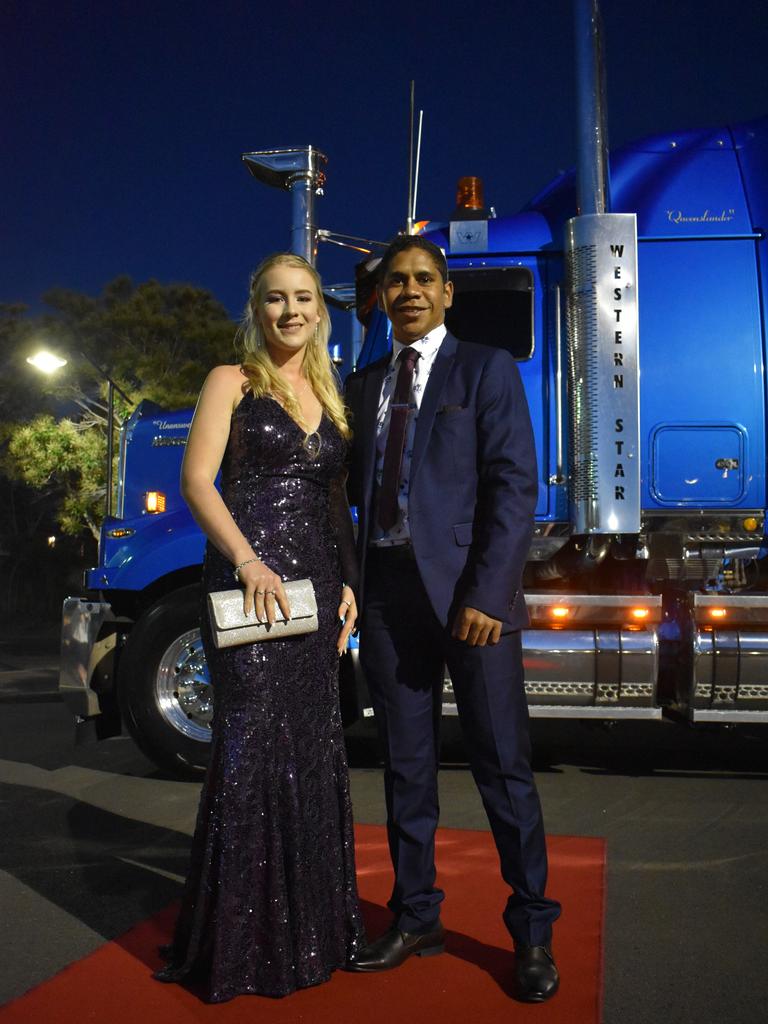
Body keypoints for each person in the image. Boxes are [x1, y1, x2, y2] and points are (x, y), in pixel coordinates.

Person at [344, 235, 561, 1002]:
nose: (408, 290)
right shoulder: (363, 383)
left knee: (504, 768)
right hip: (388, 598)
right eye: (395, 281)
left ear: (447, 292)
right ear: (380, 298)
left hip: (472, 600)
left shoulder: (485, 369)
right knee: (405, 768)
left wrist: (486, 596)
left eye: (423, 279)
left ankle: (532, 933)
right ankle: (416, 917)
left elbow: (513, 487)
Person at [154, 252, 365, 1002]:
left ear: (321, 308)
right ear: (256, 307)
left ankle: (309, 934)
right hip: (251, 586)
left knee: (310, 749)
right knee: (249, 747)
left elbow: (335, 503)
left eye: (304, 297)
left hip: (313, 595)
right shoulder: (231, 381)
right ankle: (238, 944)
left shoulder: (331, 393)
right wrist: (247, 559)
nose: (291, 311)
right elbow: (196, 482)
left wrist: (349, 587)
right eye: (276, 299)